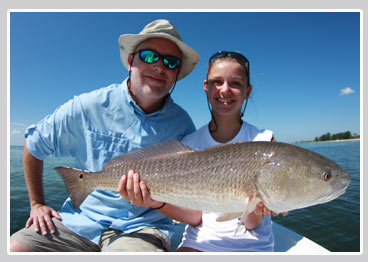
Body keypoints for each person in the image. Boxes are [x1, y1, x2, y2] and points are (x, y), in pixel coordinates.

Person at [10, 19, 200, 252]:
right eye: (150, 56)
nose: (159, 66)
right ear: (131, 61)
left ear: (176, 73)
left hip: (143, 228)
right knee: (14, 248)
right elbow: (34, 144)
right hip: (79, 221)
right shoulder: (86, 106)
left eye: (170, 62)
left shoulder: (183, 125)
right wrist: (36, 203)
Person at [118, 51, 287, 252]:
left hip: (251, 246)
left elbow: (251, 224)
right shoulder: (189, 143)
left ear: (247, 91)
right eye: (217, 82)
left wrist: (258, 207)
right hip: (198, 243)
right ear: (206, 88)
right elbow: (195, 217)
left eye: (235, 83)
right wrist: (155, 202)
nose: (225, 90)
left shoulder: (266, 142)